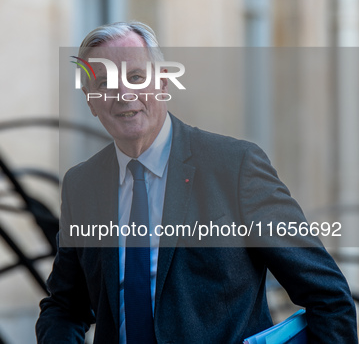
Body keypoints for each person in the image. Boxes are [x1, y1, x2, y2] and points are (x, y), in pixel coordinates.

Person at [36, 21, 357, 343]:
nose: (123, 94)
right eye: (105, 83)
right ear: (90, 100)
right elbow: (64, 306)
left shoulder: (234, 166)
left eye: (135, 77)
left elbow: (328, 298)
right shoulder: (81, 184)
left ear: (162, 83)